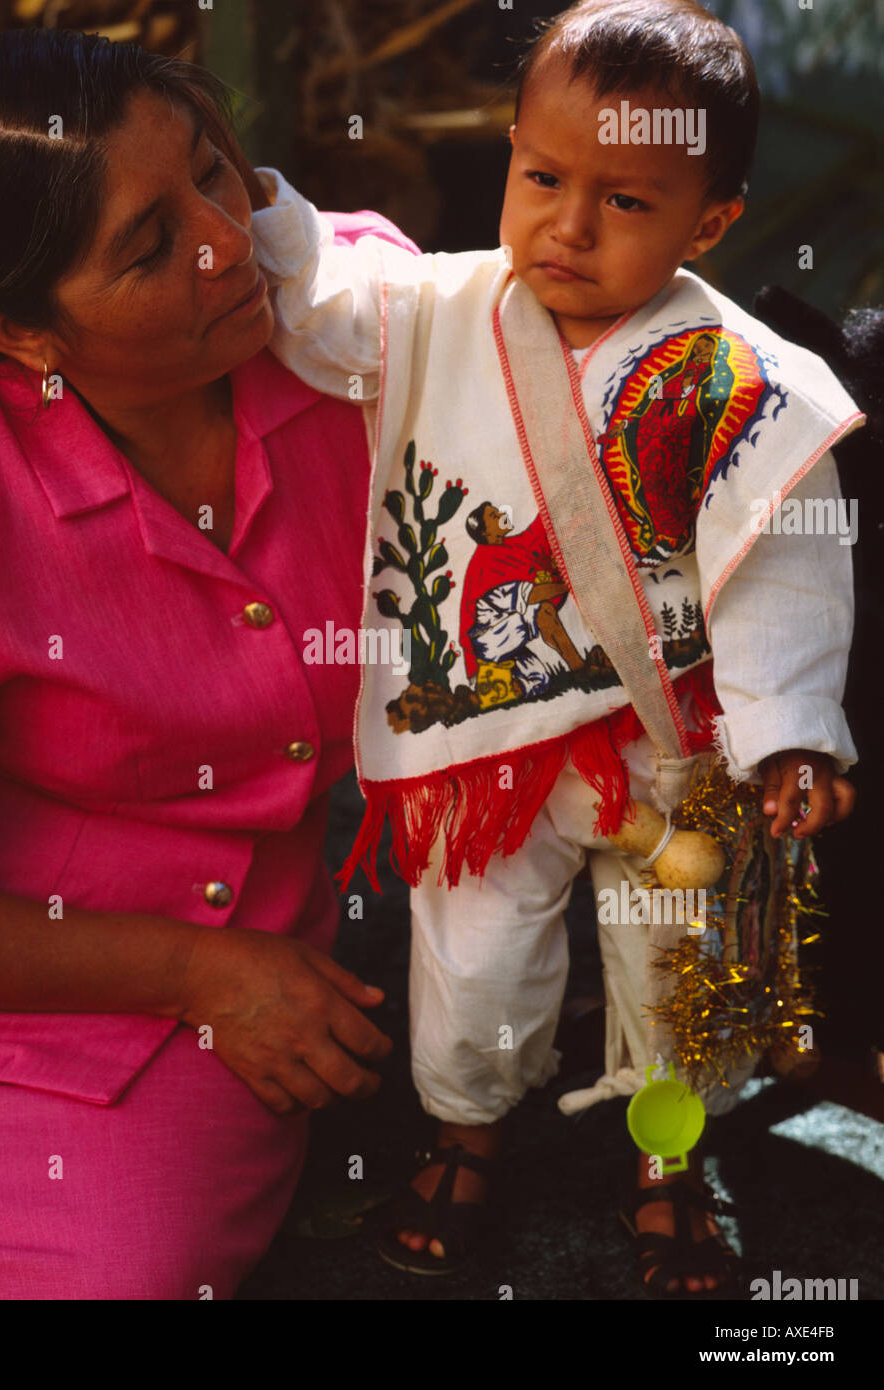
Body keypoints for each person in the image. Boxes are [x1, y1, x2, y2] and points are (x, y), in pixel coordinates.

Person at [247, 0, 862, 1293]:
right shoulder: (431, 310)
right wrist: (244, 207)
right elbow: (314, 296)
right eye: (543, 178)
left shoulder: (735, 379)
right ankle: (465, 1127)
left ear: (710, 223)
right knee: (469, 954)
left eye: (627, 202)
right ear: (512, 152)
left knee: (675, 963)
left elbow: (784, 561)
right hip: (487, 735)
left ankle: (671, 1157)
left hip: (673, 746)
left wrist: (792, 725)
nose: (567, 227)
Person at [0, 27, 420, 1300]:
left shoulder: (357, 336)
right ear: (18, 331)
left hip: (186, 1029)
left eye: (216, 171)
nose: (226, 241)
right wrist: (204, 974)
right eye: (151, 246)